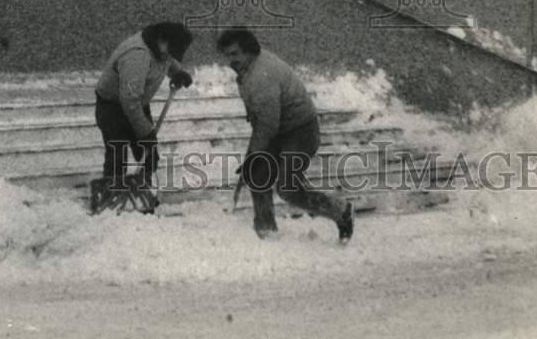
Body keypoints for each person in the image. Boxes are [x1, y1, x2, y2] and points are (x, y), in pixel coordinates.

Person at [218, 28, 354, 243]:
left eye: (235, 54)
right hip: (279, 129)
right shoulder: (250, 67)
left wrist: (253, 155)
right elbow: (263, 120)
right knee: (258, 175)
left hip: (301, 131)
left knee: (287, 187)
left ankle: (340, 210)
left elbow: (268, 124)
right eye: (227, 55)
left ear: (249, 51)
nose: (230, 61)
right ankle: (266, 232)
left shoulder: (263, 75)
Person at [91, 21, 193, 212]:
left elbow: (167, 61)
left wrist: (177, 72)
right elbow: (129, 100)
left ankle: (141, 194)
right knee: (118, 153)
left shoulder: (160, 48)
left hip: (137, 104)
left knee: (149, 155)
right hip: (112, 107)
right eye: (170, 51)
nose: (170, 56)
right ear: (162, 40)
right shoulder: (137, 56)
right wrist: (145, 132)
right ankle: (111, 199)